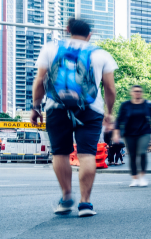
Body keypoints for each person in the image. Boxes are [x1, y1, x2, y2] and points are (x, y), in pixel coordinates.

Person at [31, 18, 117, 217]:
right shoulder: (101, 54)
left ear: (67, 30)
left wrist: (36, 107)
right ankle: (85, 203)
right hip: (90, 109)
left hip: (56, 107)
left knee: (60, 153)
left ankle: (66, 196)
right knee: (87, 154)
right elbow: (110, 88)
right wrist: (109, 112)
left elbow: (39, 82)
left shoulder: (50, 49)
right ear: (90, 34)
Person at [115, 84, 151, 187]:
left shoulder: (148, 104)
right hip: (128, 134)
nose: (137, 93)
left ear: (142, 93)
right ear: (131, 93)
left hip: (144, 132)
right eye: (135, 91)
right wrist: (116, 133)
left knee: (142, 152)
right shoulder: (125, 105)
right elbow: (119, 120)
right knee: (132, 156)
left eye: (139, 91)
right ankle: (134, 178)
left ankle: (142, 176)